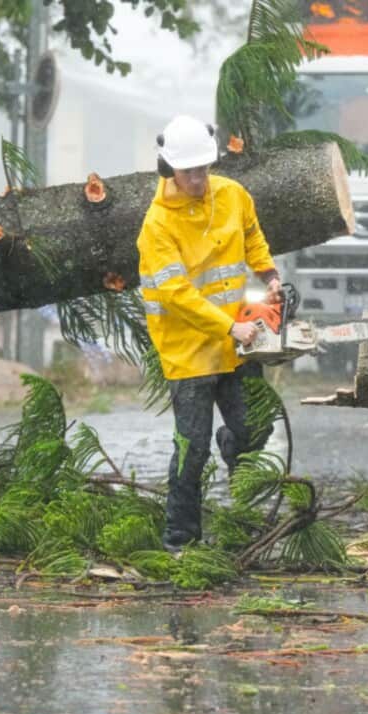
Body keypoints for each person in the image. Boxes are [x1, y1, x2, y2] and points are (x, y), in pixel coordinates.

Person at [137, 114, 282, 552]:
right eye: (189, 172)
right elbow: (177, 294)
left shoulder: (233, 195)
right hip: (189, 352)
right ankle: (180, 538)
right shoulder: (157, 225)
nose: (199, 179)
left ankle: (235, 455)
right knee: (192, 448)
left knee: (256, 426)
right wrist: (230, 326)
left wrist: (269, 274)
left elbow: (252, 236)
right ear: (169, 169)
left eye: (203, 169)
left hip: (237, 344)